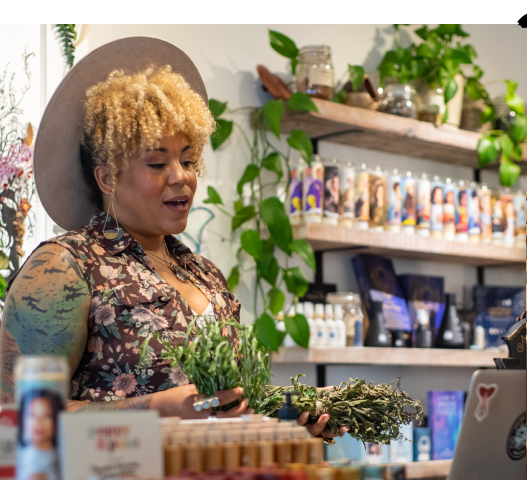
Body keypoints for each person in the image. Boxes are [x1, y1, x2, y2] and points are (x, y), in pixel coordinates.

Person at [0, 38, 345, 442]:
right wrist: (155, 409)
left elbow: (225, 406)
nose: (181, 176)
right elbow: (15, 415)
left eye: (187, 159)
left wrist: (287, 410)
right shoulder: (64, 266)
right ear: (107, 177)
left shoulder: (205, 276)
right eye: (158, 162)